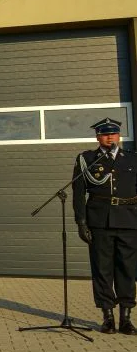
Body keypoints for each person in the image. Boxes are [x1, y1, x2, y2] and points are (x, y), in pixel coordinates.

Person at [72, 117, 137, 335]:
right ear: (97, 136)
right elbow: (79, 193)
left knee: (127, 270)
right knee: (102, 269)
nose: (110, 137)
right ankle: (107, 317)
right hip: (99, 222)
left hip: (129, 220)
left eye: (114, 133)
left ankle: (126, 319)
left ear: (119, 136)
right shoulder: (87, 159)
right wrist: (81, 222)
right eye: (105, 134)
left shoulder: (132, 159)